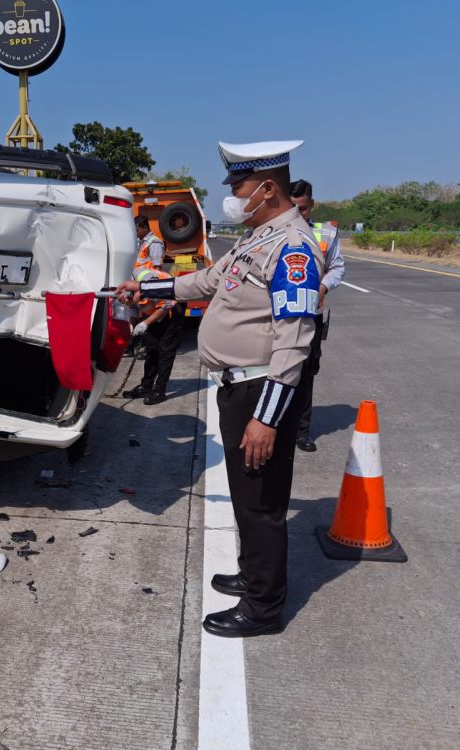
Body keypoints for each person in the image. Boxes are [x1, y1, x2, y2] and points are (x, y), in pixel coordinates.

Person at [116, 140, 323, 637]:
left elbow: (295, 343)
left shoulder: (292, 249)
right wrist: (148, 287)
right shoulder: (260, 237)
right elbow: (208, 282)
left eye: (239, 186)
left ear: (267, 188)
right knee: (246, 498)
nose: (231, 194)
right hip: (237, 389)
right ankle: (254, 575)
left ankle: (263, 608)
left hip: (258, 393)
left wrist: (267, 419)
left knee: (261, 505)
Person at [289, 179, 345, 452]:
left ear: (312, 205)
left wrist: (324, 286)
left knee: (306, 373)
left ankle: (301, 431)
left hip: (312, 315)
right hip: (279, 316)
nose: (299, 215)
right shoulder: (273, 233)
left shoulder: (326, 235)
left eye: (304, 209)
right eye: (293, 208)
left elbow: (337, 268)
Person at [122, 267, 184, 405]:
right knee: (151, 351)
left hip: (171, 313)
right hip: (154, 314)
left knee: (165, 352)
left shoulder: (149, 280)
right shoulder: (126, 282)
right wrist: (133, 326)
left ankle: (159, 390)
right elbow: (133, 306)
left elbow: (166, 304)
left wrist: (145, 323)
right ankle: (146, 386)